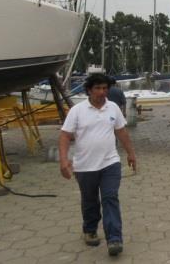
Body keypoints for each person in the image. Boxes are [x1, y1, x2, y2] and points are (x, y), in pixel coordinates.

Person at [58, 73, 136, 256]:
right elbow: (64, 136)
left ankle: (114, 239)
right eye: (98, 88)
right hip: (84, 166)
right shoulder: (77, 111)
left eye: (104, 88)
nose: (102, 92)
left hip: (110, 163)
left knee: (110, 197)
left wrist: (131, 153)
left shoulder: (113, 108)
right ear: (89, 90)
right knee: (90, 201)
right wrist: (63, 160)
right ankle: (90, 229)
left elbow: (122, 132)